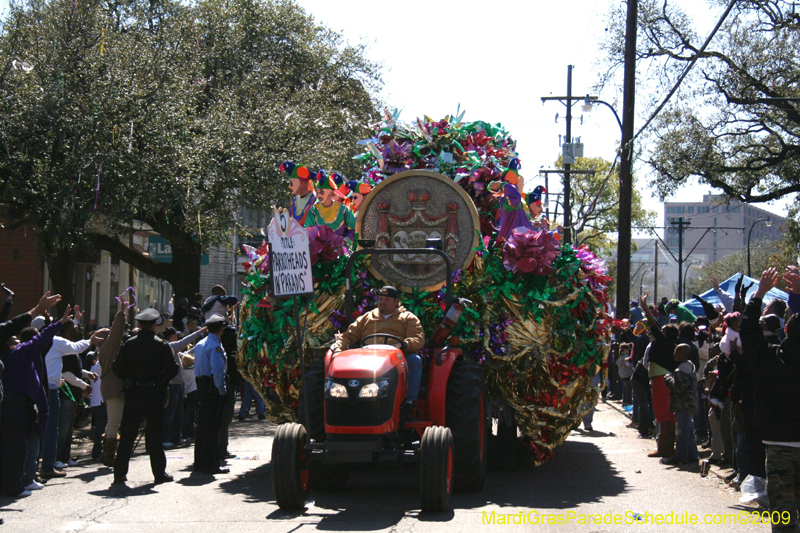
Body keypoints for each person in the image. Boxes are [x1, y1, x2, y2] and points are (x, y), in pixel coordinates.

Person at [741, 267, 800, 532]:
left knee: (782, 510)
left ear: (785, 329)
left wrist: (758, 295)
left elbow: (748, 334)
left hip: (778, 442)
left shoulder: (769, 358)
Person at [0, 305, 72, 497]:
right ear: (9, 342)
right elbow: (41, 339)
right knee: (16, 447)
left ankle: (8, 483)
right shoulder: (19, 353)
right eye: (14, 338)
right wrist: (59, 322)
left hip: (8, 402)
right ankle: (14, 486)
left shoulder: (7, 356)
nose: (18, 340)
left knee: (8, 446)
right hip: (17, 403)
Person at [332, 286, 425, 418]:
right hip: (367, 358)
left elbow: (418, 339)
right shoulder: (367, 318)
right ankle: (344, 404)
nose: (382, 302)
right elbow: (348, 336)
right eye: (381, 299)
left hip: (395, 359)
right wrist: (338, 350)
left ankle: (408, 403)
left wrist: (403, 344)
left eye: (387, 299)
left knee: (414, 360)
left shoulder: (407, 318)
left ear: (396, 302)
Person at [112, 308, 180, 484]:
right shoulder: (161, 344)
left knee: (127, 434)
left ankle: (119, 473)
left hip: (134, 393)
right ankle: (159, 473)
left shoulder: (129, 344)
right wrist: (163, 380)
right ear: (154, 325)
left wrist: (129, 377)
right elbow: (173, 369)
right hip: (154, 393)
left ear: (140, 325)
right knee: (155, 436)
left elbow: (117, 368)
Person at [640, 292, 679, 458]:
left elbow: (653, 324)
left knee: (663, 414)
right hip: (664, 379)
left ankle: (664, 448)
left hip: (661, 381)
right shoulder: (671, 345)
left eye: (662, 331)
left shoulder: (664, 343)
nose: (657, 331)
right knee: (667, 415)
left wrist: (644, 307)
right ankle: (667, 446)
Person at [193, 314, 230, 475]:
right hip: (212, 389)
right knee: (212, 428)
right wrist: (222, 391)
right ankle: (211, 464)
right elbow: (218, 371)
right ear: (221, 329)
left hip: (202, 386)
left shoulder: (201, 344)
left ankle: (200, 462)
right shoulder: (215, 346)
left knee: (202, 427)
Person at [662, 343, 699, 466]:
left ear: (682, 354)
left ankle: (682, 457)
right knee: (689, 431)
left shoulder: (681, 371)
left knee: (682, 432)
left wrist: (668, 378)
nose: (674, 354)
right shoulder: (690, 367)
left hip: (683, 405)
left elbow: (678, 388)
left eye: (676, 351)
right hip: (691, 404)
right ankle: (693, 455)